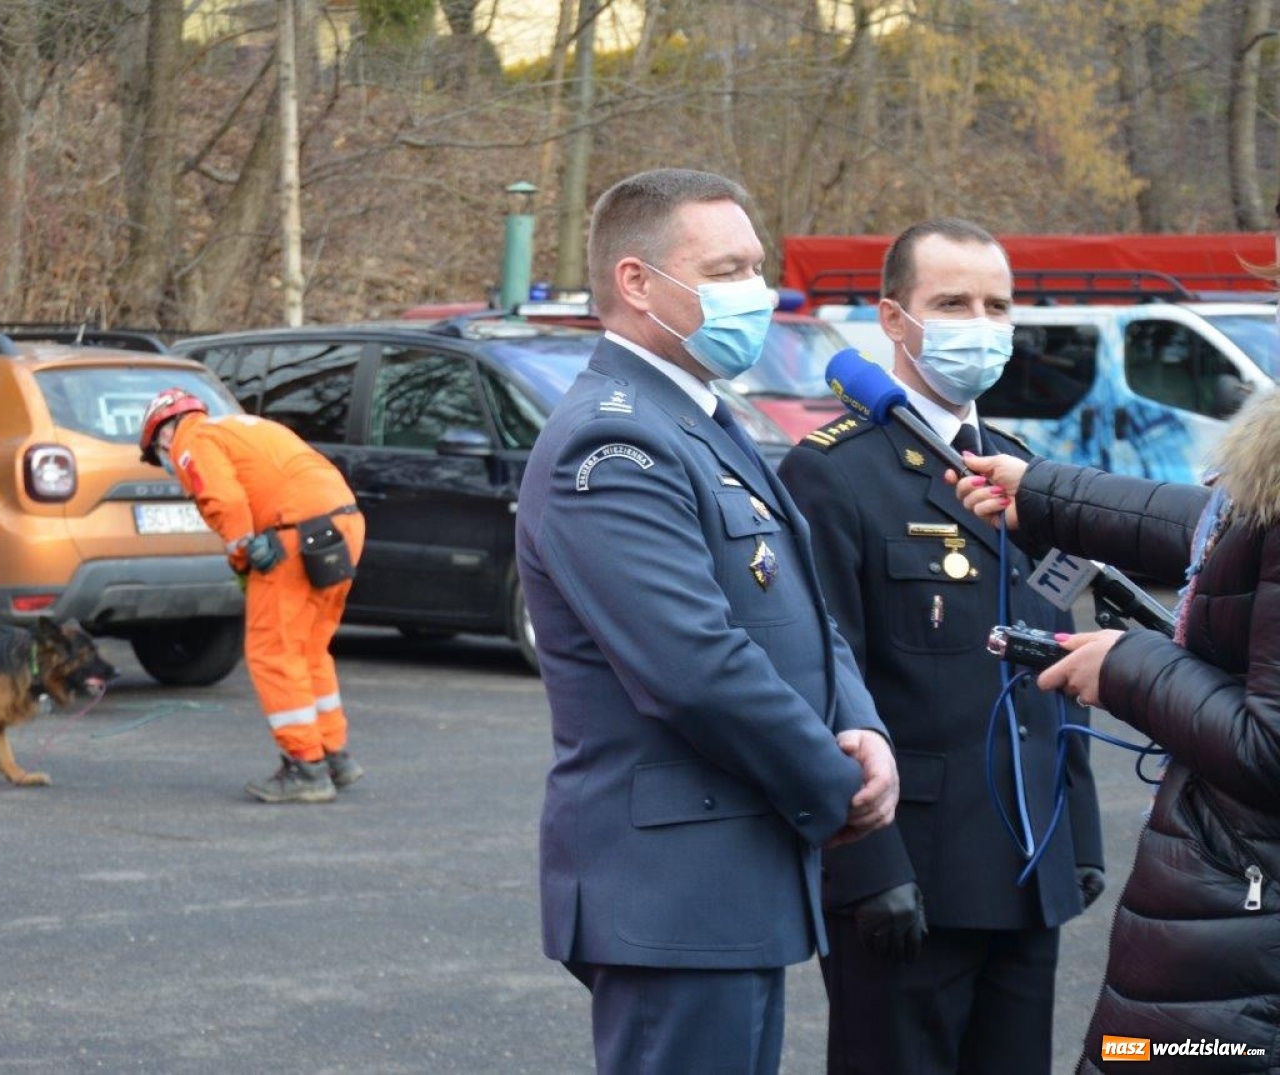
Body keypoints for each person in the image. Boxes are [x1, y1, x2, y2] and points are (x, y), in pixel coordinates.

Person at [515, 167, 899, 1073]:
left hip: (731, 876)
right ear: (637, 281)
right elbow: (693, 663)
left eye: (755, 268)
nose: (755, 294)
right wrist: (833, 781)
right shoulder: (612, 441)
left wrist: (860, 722)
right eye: (726, 271)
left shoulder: (702, 418)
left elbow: (800, 604)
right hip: (674, 887)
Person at [776, 219, 1107, 1075]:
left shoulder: (1024, 470)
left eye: (997, 304)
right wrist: (865, 866)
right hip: (912, 873)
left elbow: (1057, 655)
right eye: (952, 302)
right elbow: (821, 675)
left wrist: (1082, 839)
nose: (981, 323)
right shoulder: (834, 471)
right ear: (893, 318)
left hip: (1028, 865)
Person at [955, 400, 1280, 1071]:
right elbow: (1225, 528)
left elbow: (1270, 747)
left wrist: (1125, 662)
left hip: (1243, 943)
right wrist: (1046, 494)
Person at [138, 389, 366, 804]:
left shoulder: (192, 440)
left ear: (163, 436)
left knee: (273, 652)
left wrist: (243, 554)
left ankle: (305, 767)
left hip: (293, 535)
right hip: (344, 524)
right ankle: (335, 755)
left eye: (158, 457)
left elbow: (223, 500)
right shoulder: (243, 428)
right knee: (310, 649)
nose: (167, 466)